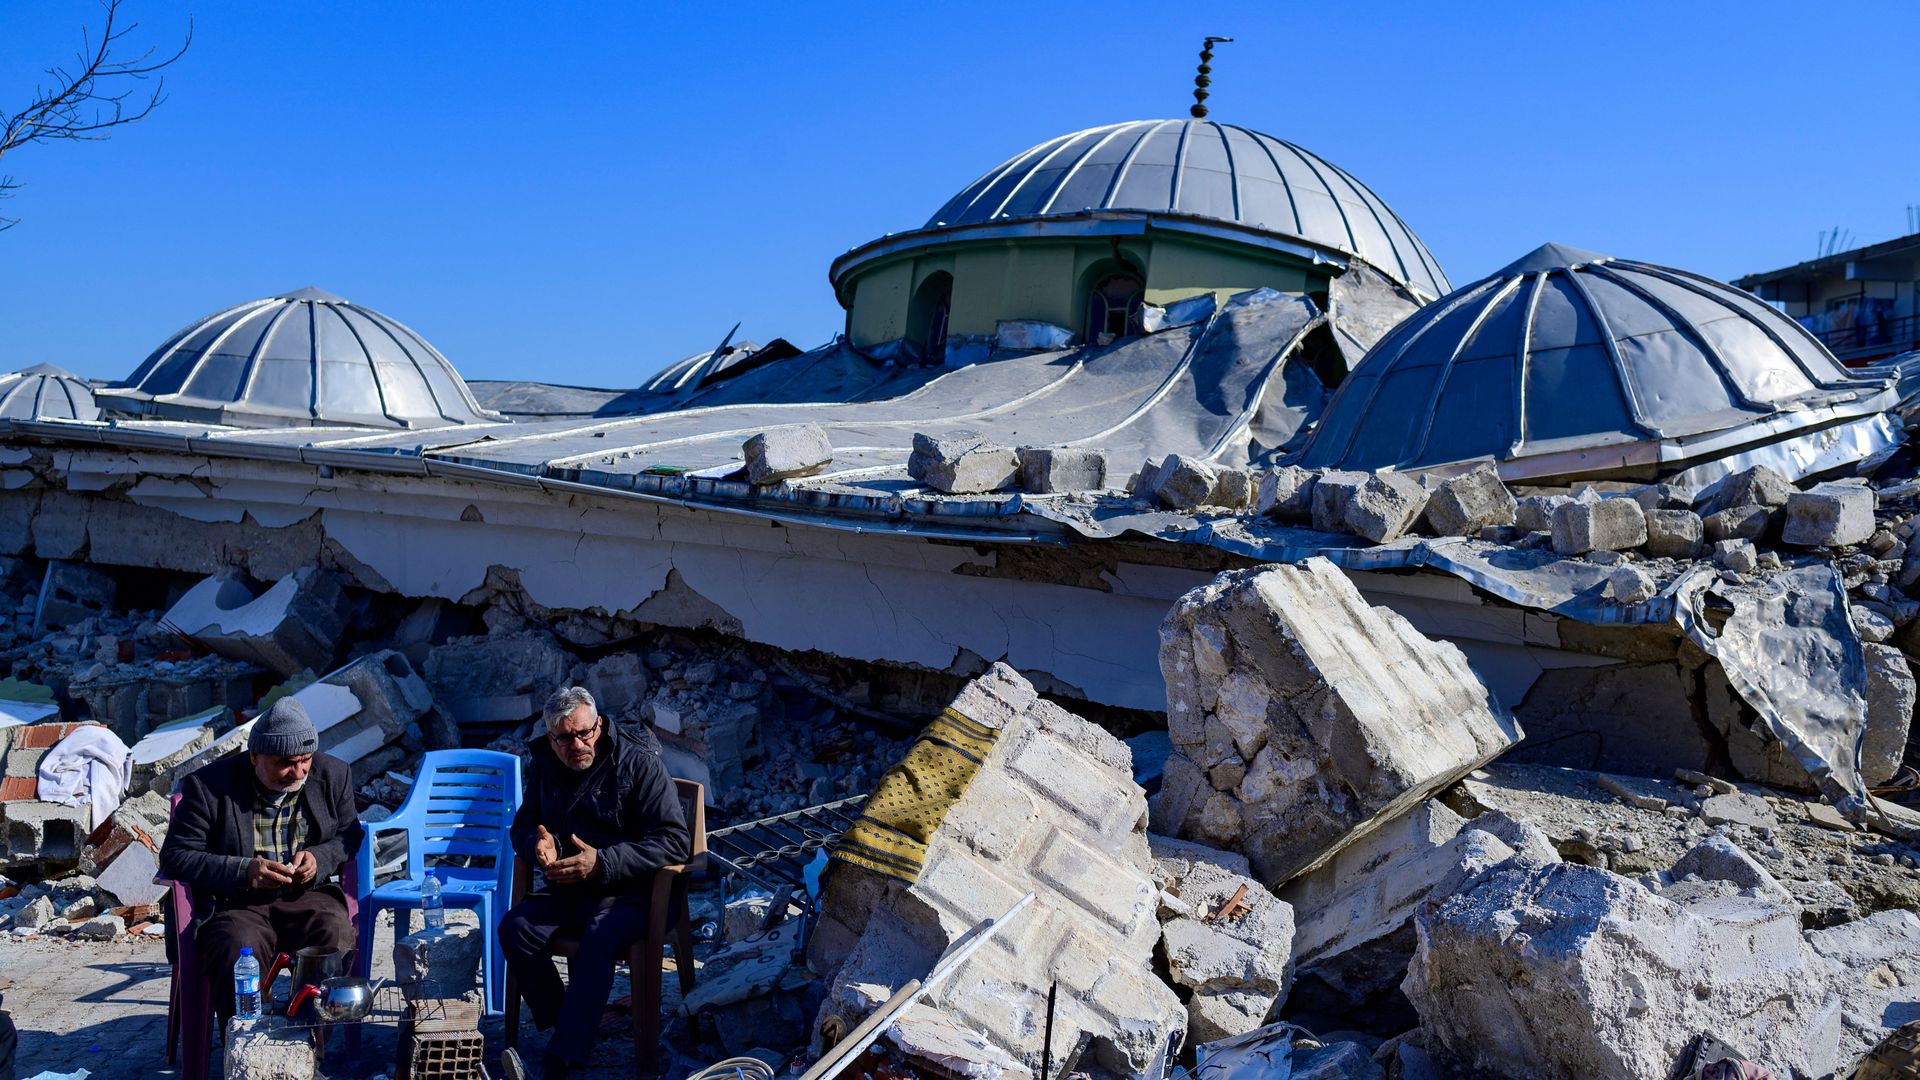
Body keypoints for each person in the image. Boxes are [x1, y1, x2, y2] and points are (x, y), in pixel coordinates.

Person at [501, 686, 690, 1079]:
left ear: (599, 725)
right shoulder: (545, 766)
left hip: (635, 893)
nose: (578, 744)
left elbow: (675, 840)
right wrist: (538, 844)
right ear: (551, 740)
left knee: (598, 936)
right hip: (574, 889)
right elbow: (523, 823)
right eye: (565, 738)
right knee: (516, 928)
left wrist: (603, 863)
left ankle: (565, 1056)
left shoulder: (638, 763)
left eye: (585, 732)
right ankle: (567, 1021)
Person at [158, 697, 359, 1021]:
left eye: (305, 760)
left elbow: (350, 836)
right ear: (254, 756)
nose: (297, 772)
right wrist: (244, 870)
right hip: (235, 904)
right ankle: (247, 1047)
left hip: (305, 897)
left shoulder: (332, 774)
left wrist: (317, 859)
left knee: (334, 932)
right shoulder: (209, 786)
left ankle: (308, 1038)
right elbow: (175, 857)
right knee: (236, 947)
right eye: (285, 763)